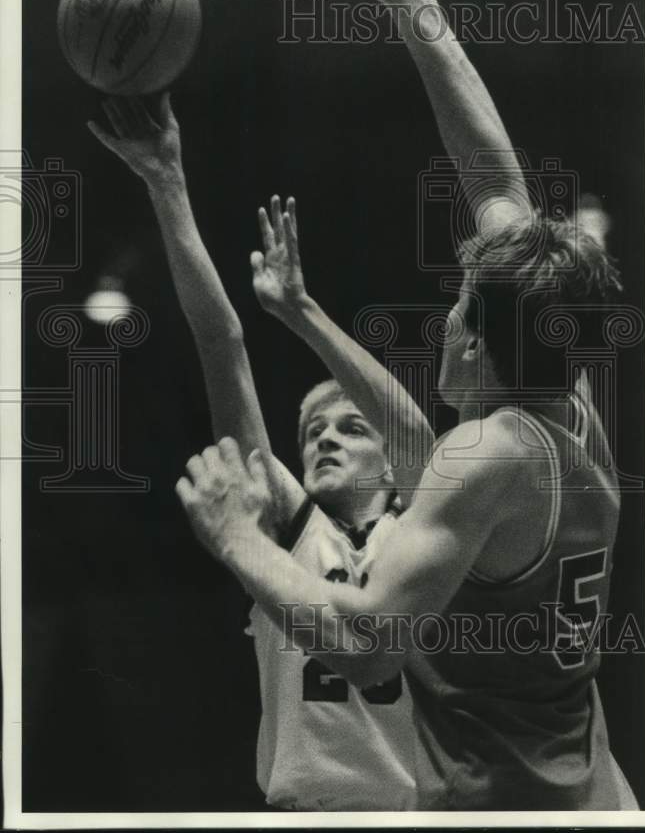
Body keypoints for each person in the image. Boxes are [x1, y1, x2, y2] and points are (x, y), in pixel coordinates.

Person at [177, 0, 638, 810]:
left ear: (482, 352)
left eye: (462, 308)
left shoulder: (487, 451)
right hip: (593, 790)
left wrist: (234, 538)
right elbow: (491, 173)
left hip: (509, 809)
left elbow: (366, 639)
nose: (447, 318)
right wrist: (413, 4)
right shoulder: (564, 407)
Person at [87, 94, 432, 810]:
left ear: (391, 469)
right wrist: (167, 186)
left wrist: (304, 311)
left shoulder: (434, 526)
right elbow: (222, 344)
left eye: (347, 427)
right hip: (304, 810)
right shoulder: (285, 526)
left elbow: (412, 433)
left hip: (423, 811)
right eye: (311, 432)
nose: (324, 437)